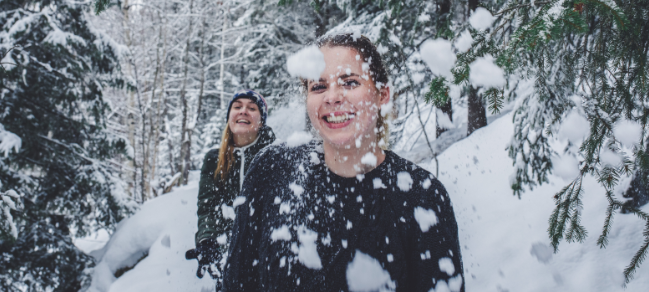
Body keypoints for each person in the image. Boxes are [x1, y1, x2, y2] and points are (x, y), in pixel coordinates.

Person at [222, 34, 464, 292]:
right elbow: (236, 283)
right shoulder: (272, 168)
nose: (333, 97)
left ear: (382, 95)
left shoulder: (422, 196)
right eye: (318, 86)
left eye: (349, 82)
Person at [185, 90, 276, 290]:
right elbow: (208, 206)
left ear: (261, 121)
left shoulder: (274, 156)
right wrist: (207, 240)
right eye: (237, 107)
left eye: (252, 108)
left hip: (269, 259)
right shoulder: (213, 160)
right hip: (229, 258)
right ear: (229, 117)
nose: (243, 111)